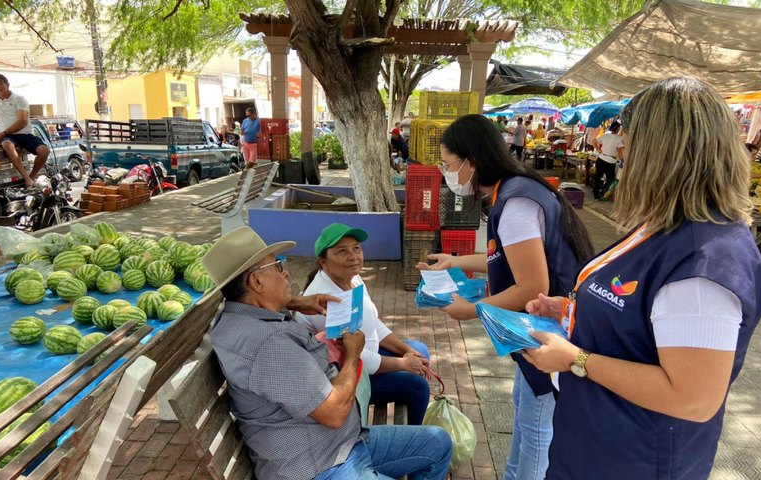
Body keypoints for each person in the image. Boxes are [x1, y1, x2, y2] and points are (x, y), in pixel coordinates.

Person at [522, 77, 761, 480]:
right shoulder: (666, 226)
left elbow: (693, 398)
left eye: (630, 146)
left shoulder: (704, 262)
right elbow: (644, 319)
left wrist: (577, 359)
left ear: (661, 154)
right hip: (592, 445)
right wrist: (573, 311)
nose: (623, 158)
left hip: (634, 459)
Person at [418, 114, 594, 480]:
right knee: (526, 414)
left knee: (535, 430)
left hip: (548, 333)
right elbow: (506, 256)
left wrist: (471, 310)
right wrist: (455, 260)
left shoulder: (514, 204)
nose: (449, 174)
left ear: (472, 160)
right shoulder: (515, 190)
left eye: (449, 165)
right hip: (535, 332)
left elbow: (532, 287)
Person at [202, 226, 453, 480]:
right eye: (278, 266)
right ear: (256, 281)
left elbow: (250, 305)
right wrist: (353, 354)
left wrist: (294, 301)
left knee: (438, 443)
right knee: (419, 401)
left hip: (343, 444)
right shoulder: (269, 345)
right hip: (320, 465)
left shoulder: (235, 319)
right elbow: (333, 413)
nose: (286, 272)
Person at [297, 223, 432, 425]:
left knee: (419, 350)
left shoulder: (352, 278)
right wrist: (404, 363)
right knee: (418, 386)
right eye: (342, 251)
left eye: (356, 248)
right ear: (323, 262)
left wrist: (406, 351)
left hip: (363, 356)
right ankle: (413, 437)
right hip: (345, 377)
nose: (353, 256)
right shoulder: (327, 302)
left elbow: (373, 323)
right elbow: (352, 355)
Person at [0, 73, 49, 186]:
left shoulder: (19, 99)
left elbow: (22, 121)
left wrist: (2, 134)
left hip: (24, 133)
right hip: (8, 137)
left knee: (44, 151)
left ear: (7, 84)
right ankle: (26, 178)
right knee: (7, 145)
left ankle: (31, 177)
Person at [592, 121, 624, 199]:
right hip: (610, 161)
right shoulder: (619, 139)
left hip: (601, 158)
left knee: (598, 177)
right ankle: (604, 194)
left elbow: (593, 141)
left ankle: (596, 195)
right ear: (617, 129)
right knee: (610, 179)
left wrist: (599, 149)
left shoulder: (605, 136)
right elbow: (620, 152)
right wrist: (621, 159)